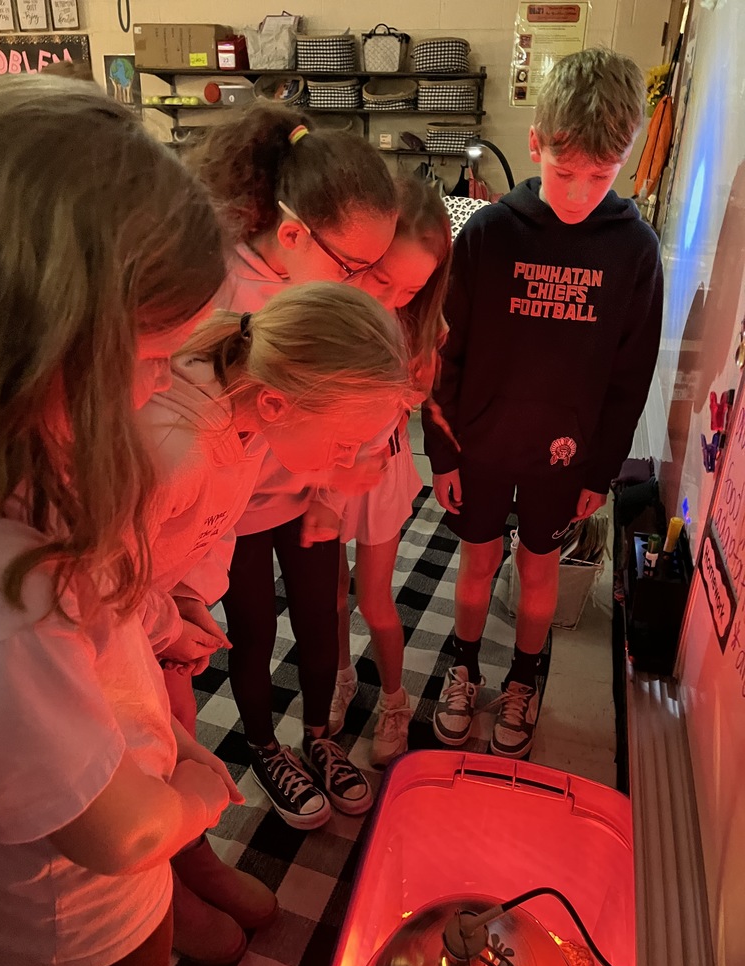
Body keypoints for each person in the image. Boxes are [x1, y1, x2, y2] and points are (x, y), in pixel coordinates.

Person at [0, 76, 237, 966]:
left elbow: (108, 601)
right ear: (50, 341)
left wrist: (161, 619)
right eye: (156, 354)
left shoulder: (43, 454)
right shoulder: (6, 596)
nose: (166, 383)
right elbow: (119, 833)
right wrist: (200, 795)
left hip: (109, 861)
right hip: (64, 925)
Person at [139, 283, 411, 958]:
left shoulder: (248, 426)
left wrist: (188, 601)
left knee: (173, 735)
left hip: (152, 619)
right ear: (276, 402)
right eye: (344, 442)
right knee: (148, 758)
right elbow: (92, 592)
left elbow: (205, 536)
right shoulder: (175, 451)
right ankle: (153, 888)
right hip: (109, 647)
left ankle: (189, 860)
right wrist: (163, 625)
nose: (348, 463)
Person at [424, 47, 664, 759]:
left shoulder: (635, 250)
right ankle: (464, 669)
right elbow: (446, 352)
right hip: (479, 441)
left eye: (602, 175)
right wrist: (440, 449)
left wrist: (601, 470)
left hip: (566, 454)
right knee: (475, 560)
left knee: (538, 568)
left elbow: (631, 374)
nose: (581, 191)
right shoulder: (490, 234)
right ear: (536, 142)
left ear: (626, 158)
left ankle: (523, 681)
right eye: (565, 173)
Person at [189, 105, 401, 829]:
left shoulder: (331, 286)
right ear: (291, 233)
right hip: (230, 512)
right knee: (249, 629)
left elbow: (353, 397)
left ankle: (319, 737)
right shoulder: (217, 288)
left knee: (322, 618)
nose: (365, 283)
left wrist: (332, 488)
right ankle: (262, 743)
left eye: (375, 268)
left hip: (305, 493)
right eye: (355, 267)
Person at [330, 179, 453, 768]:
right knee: (329, 592)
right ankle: (338, 674)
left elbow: (419, 394)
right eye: (384, 281)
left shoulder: (414, 322)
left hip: (379, 470)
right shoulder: (329, 300)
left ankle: (395, 699)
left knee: (373, 596)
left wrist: (411, 381)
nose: (397, 297)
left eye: (414, 287)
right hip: (326, 468)